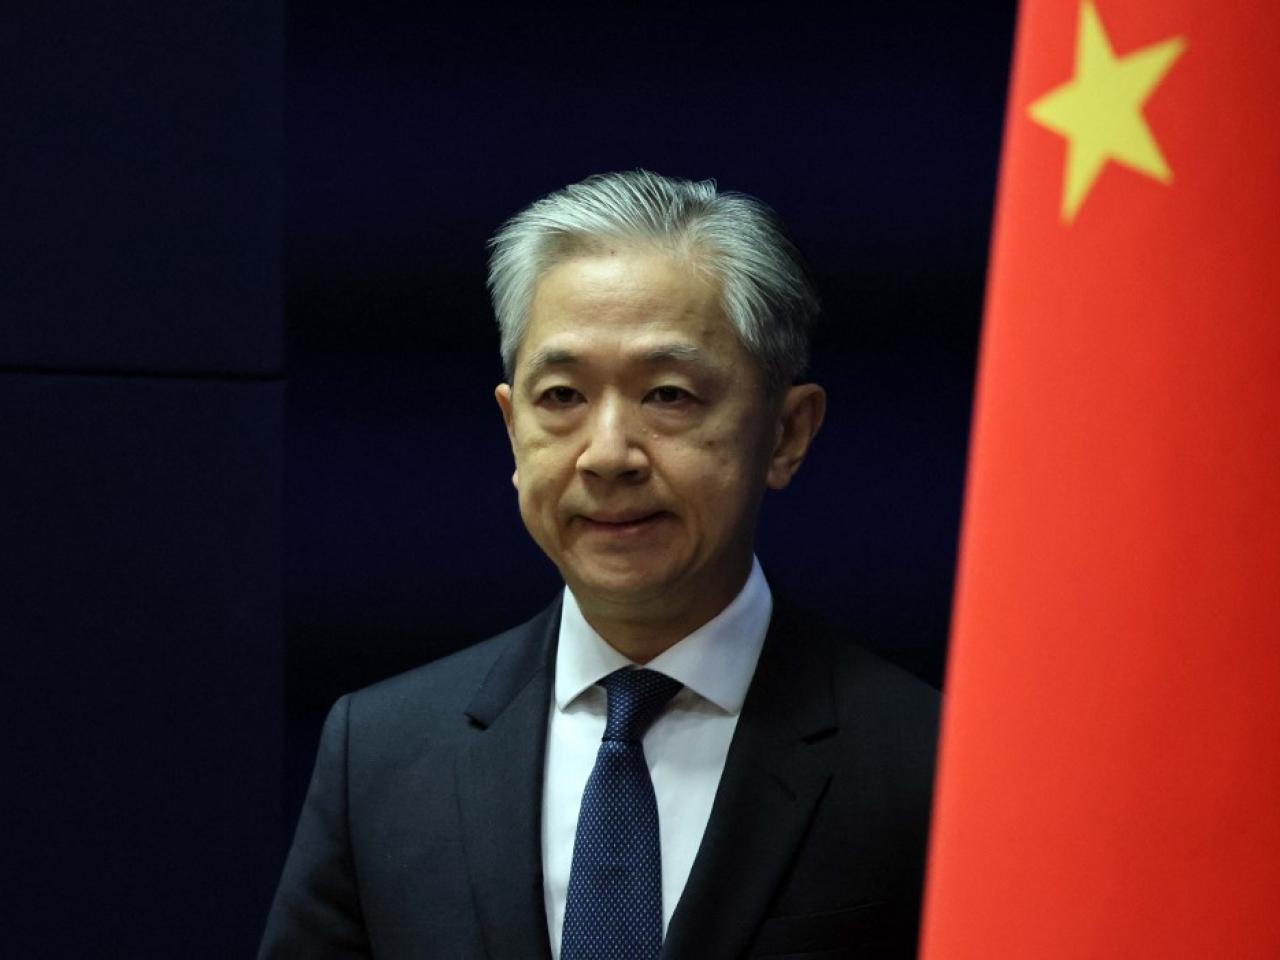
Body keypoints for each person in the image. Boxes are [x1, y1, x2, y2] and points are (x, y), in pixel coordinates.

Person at [260, 170, 940, 959]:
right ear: (512, 429)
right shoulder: (380, 753)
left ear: (787, 433)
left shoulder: (927, 759)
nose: (608, 454)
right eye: (562, 397)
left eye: (669, 395)